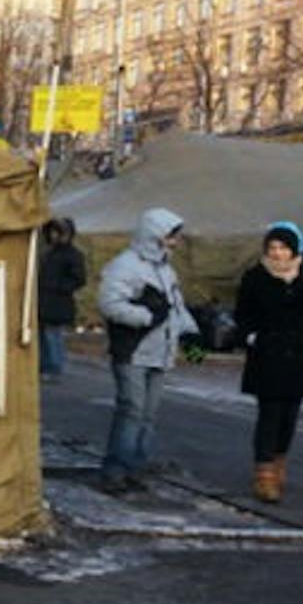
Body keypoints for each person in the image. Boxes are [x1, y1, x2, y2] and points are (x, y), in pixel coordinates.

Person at [234, 221, 303, 503]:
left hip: (299, 358)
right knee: (270, 415)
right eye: (273, 248)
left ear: (294, 250)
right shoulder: (256, 277)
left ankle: (279, 464)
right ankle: (264, 473)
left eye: (283, 248)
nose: (278, 254)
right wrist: (252, 337)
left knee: (290, 417)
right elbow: (242, 314)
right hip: (268, 357)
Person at [96, 207, 199, 494]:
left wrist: (190, 336)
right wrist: (145, 316)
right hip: (133, 349)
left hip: (160, 350)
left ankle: (135, 466)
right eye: (171, 236)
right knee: (131, 410)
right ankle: (116, 469)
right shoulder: (125, 266)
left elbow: (176, 307)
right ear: (156, 235)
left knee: (148, 414)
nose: (175, 242)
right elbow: (109, 303)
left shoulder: (166, 269)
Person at [38, 217, 88, 381]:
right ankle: (45, 366)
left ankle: (54, 368)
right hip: (45, 299)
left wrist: (58, 287)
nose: (54, 236)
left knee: (53, 336)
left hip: (58, 302)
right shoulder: (49, 253)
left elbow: (79, 279)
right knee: (44, 336)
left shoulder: (72, 255)